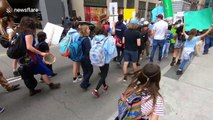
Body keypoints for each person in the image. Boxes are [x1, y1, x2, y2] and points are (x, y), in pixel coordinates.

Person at [18, 17, 60, 92]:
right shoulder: (28, 33)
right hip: (31, 56)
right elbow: (29, 47)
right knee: (42, 70)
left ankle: (32, 90)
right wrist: (41, 53)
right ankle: (50, 85)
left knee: (28, 73)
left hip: (24, 56)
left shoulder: (21, 32)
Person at [91, 24, 117, 98]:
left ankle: (105, 86)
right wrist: (113, 43)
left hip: (97, 59)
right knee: (104, 75)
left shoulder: (93, 39)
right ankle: (95, 90)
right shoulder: (107, 40)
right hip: (105, 60)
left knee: (103, 73)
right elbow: (111, 51)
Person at [79, 25, 93, 90]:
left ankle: (86, 83)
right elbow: (88, 51)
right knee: (90, 71)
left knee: (85, 71)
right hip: (87, 58)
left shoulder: (80, 37)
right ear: (85, 31)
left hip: (81, 57)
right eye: (88, 29)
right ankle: (83, 83)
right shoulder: (86, 39)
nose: (89, 30)